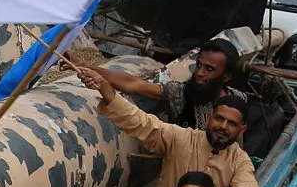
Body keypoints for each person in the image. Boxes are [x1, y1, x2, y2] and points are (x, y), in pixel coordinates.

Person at [78, 67, 260, 187]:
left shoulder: (239, 161)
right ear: (209, 118)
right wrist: (107, 91)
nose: (223, 126)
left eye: (231, 123)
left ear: (242, 129)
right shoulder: (181, 138)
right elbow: (141, 122)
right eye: (219, 119)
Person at [90, 38, 244, 130]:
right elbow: (133, 84)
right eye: (199, 65)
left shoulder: (239, 98)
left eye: (209, 69)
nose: (199, 73)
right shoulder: (179, 94)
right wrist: (91, 69)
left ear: (226, 76)